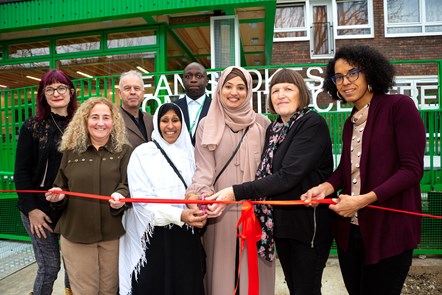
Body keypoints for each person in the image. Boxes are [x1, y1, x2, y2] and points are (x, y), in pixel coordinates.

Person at [301, 45, 426, 295]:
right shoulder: (351, 122)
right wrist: (324, 188)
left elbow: (412, 170)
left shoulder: (399, 107)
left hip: (389, 231)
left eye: (352, 73)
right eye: (338, 77)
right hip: (352, 232)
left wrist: (362, 201)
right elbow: (346, 170)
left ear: (369, 73)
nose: (345, 81)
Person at [210, 68, 334, 295]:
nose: (281, 95)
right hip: (282, 225)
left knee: (307, 289)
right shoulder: (275, 128)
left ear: (302, 94)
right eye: (275, 90)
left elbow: (287, 176)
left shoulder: (311, 123)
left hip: (308, 226)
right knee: (295, 287)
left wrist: (236, 192)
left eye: (288, 89)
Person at [186, 66, 273, 295]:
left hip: (256, 212)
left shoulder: (262, 124)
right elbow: (203, 169)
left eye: (241, 87)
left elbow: (271, 169)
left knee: (255, 275)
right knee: (223, 274)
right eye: (228, 86)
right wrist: (204, 198)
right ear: (219, 89)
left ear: (249, 91)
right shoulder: (207, 124)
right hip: (220, 212)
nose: (234, 92)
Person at [45, 97, 132, 295]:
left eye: (106, 117)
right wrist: (58, 196)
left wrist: (121, 195)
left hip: (112, 236)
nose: (100, 123)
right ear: (85, 121)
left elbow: (127, 184)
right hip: (76, 236)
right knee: (85, 292)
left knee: (109, 290)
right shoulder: (70, 152)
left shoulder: (124, 151)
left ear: (114, 122)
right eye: (94, 117)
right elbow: (61, 186)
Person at [119, 103, 206, 295]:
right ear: (157, 124)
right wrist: (179, 214)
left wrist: (197, 207)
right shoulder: (142, 154)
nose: (170, 125)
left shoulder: (192, 154)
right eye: (164, 120)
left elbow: (199, 187)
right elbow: (142, 201)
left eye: (175, 120)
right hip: (154, 237)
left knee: (186, 284)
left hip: (186, 235)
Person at [14, 69, 76, 295]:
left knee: (74, 267)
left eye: (61, 88)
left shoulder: (82, 124)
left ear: (71, 91)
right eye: (49, 89)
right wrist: (31, 210)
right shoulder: (32, 126)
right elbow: (20, 172)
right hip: (39, 209)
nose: (56, 93)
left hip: (72, 208)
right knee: (49, 267)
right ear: (43, 94)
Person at [175, 62, 211, 145]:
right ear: (182, 81)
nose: (193, 80)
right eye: (188, 76)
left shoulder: (216, 107)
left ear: (206, 81)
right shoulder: (174, 107)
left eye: (199, 76)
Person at [118, 70, 154, 148]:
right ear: (119, 93)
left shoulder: (152, 120)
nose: (133, 92)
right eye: (127, 88)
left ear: (143, 94)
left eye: (137, 88)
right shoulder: (112, 120)